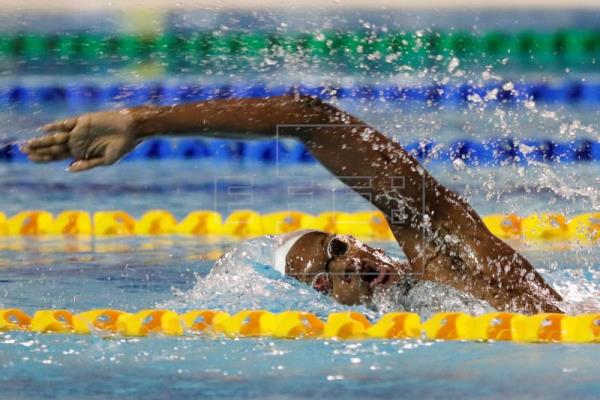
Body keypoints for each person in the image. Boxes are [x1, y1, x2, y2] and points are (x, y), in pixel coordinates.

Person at [22, 94, 563, 314]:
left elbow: (312, 117)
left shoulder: (445, 258)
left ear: (359, 243)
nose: (346, 269)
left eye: (335, 250)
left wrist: (145, 122)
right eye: (322, 282)